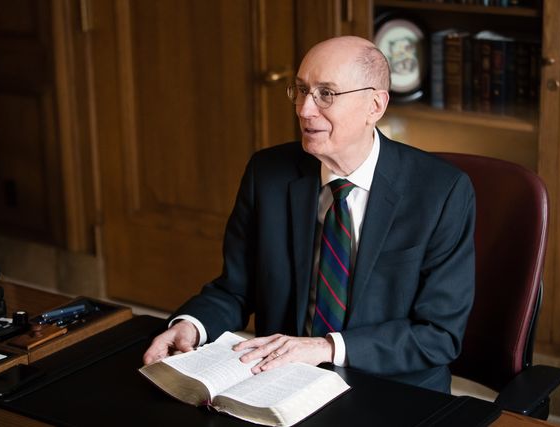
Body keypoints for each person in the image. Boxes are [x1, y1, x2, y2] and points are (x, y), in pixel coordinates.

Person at [143, 35, 475, 393]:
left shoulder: (442, 192)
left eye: (326, 94)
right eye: (301, 90)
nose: (304, 109)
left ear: (375, 106)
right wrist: (190, 325)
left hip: (390, 388)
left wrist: (325, 347)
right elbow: (235, 288)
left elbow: (438, 335)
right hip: (283, 381)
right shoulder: (268, 173)